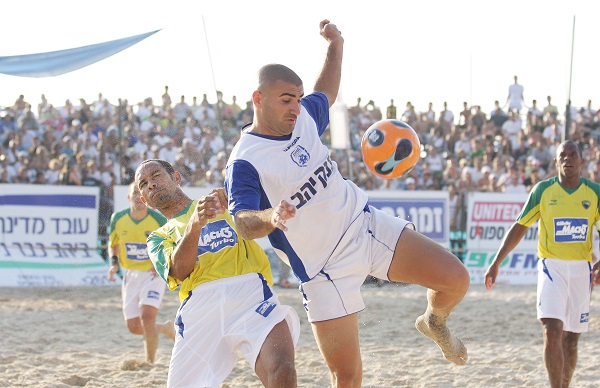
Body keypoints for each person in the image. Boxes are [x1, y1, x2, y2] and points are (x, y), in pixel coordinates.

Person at [225, 19, 470, 387]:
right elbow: (243, 220)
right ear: (258, 99)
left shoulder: (303, 118)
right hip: (323, 270)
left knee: (456, 280)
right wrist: (270, 217)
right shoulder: (245, 160)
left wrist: (336, 45)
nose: (295, 107)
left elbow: (325, 92)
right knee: (348, 377)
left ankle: (434, 322)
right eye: (286, 100)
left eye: (297, 98)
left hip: (365, 226)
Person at [135, 159, 300, 388]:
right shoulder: (157, 237)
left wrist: (269, 213)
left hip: (250, 294)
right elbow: (180, 272)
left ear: (176, 177)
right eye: (143, 184)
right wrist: (194, 225)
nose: (151, 184)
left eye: (155, 176)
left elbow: (254, 222)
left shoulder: (221, 202)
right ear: (144, 199)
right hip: (200, 308)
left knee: (283, 371)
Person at [484, 140, 600, 388]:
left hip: (581, 270)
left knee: (571, 340)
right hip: (551, 267)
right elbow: (519, 226)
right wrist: (496, 261)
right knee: (551, 330)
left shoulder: (595, 193)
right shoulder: (543, 191)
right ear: (556, 161)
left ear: (582, 160)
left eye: (573, 155)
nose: (568, 159)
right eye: (563, 155)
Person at [107, 182, 174, 364]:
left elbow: (173, 242)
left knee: (147, 316)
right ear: (129, 197)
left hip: (152, 274)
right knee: (134, 327)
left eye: (142, 194)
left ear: (148, 199)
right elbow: (114, 244)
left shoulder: (158, 220)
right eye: (135, 193)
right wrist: (114, 264)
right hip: (130, 273)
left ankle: (149, 362)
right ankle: (166, 328)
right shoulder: (118, 219)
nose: (139, 197)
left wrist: (161, 261)